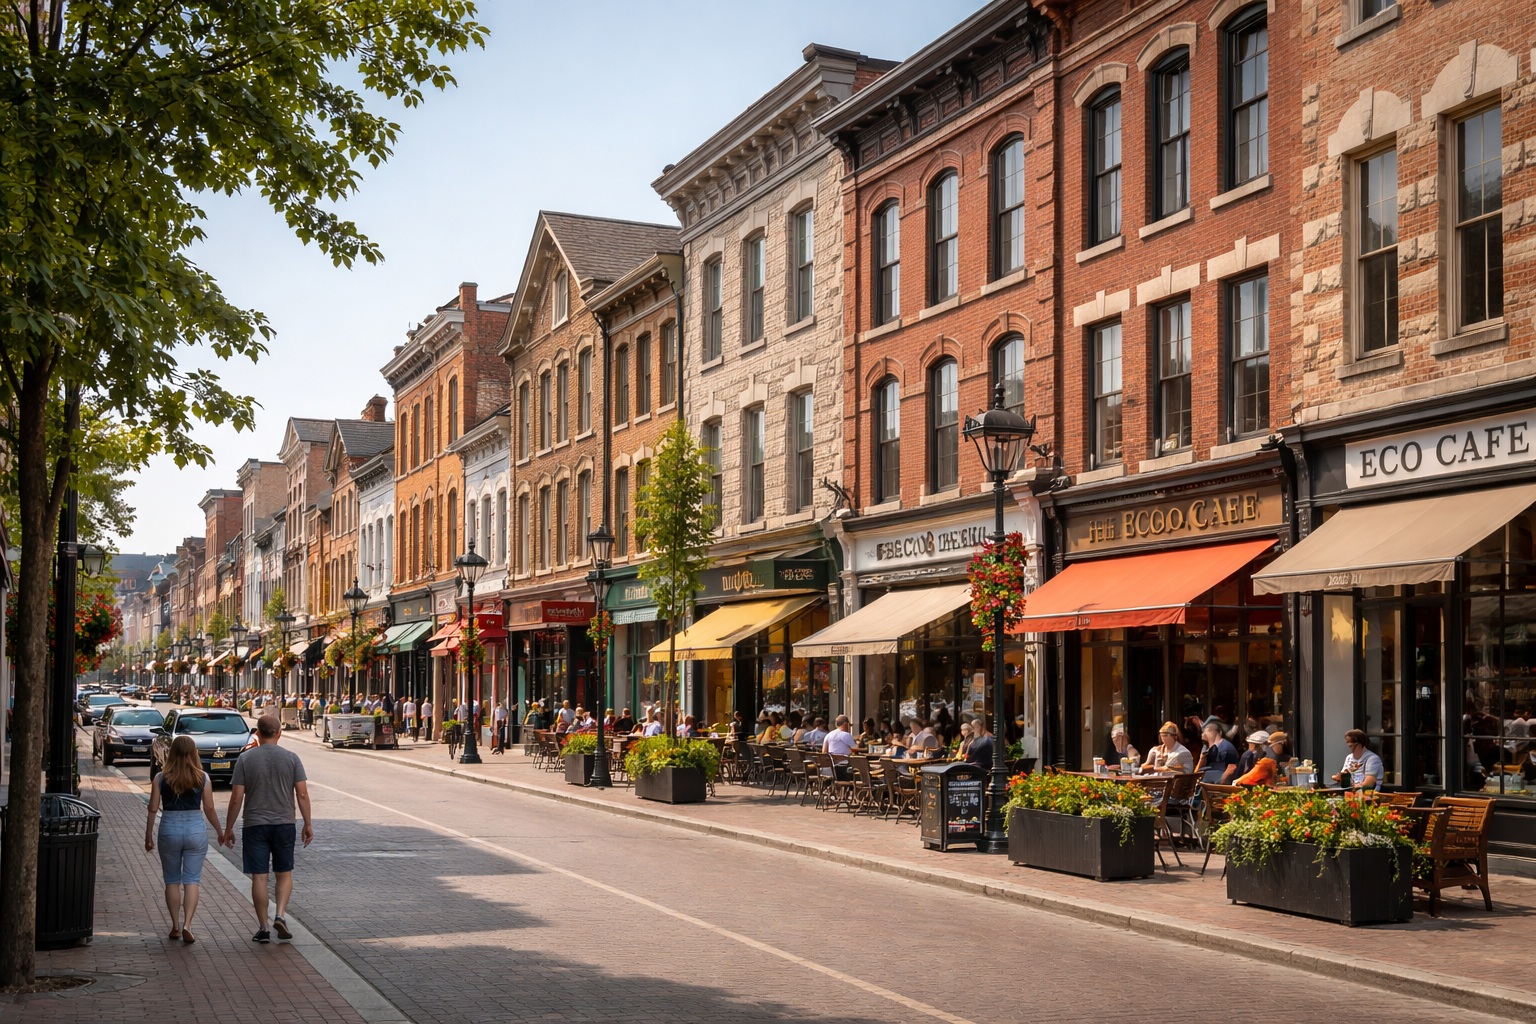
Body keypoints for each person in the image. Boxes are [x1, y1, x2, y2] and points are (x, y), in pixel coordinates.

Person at [221, 716, 313, 944]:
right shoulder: (292, 758)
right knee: (284, 873)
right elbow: (302, 794)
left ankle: (263, 928)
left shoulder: (245, 759)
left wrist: (228, 828)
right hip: (284, 824)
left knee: (259, 878)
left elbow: (236, 797)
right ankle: (280, 914)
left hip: (255, 825)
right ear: (279, 732)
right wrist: (308, 823)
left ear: (258, 734)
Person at [145, 735, 223, 944]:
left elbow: (153, 808)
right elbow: (209, 808)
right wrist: (220, 831)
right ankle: (188, 923)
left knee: (171, 880)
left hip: (169, 828)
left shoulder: (160, 778)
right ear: (193, 753)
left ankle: (175, 926)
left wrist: (148, 836)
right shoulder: (203, 778)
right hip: (195, 829)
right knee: (192, 880)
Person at [1194, 720, 1240, 784]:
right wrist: (1202, 758)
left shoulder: (1226, 747)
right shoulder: (1206, 747)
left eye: (1204, 732)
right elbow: (1198, 769)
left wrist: (1221, 783)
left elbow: (1232, 767)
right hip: (1203, 779)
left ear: (1211, 732)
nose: (1202, 735)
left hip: (1216, 781)